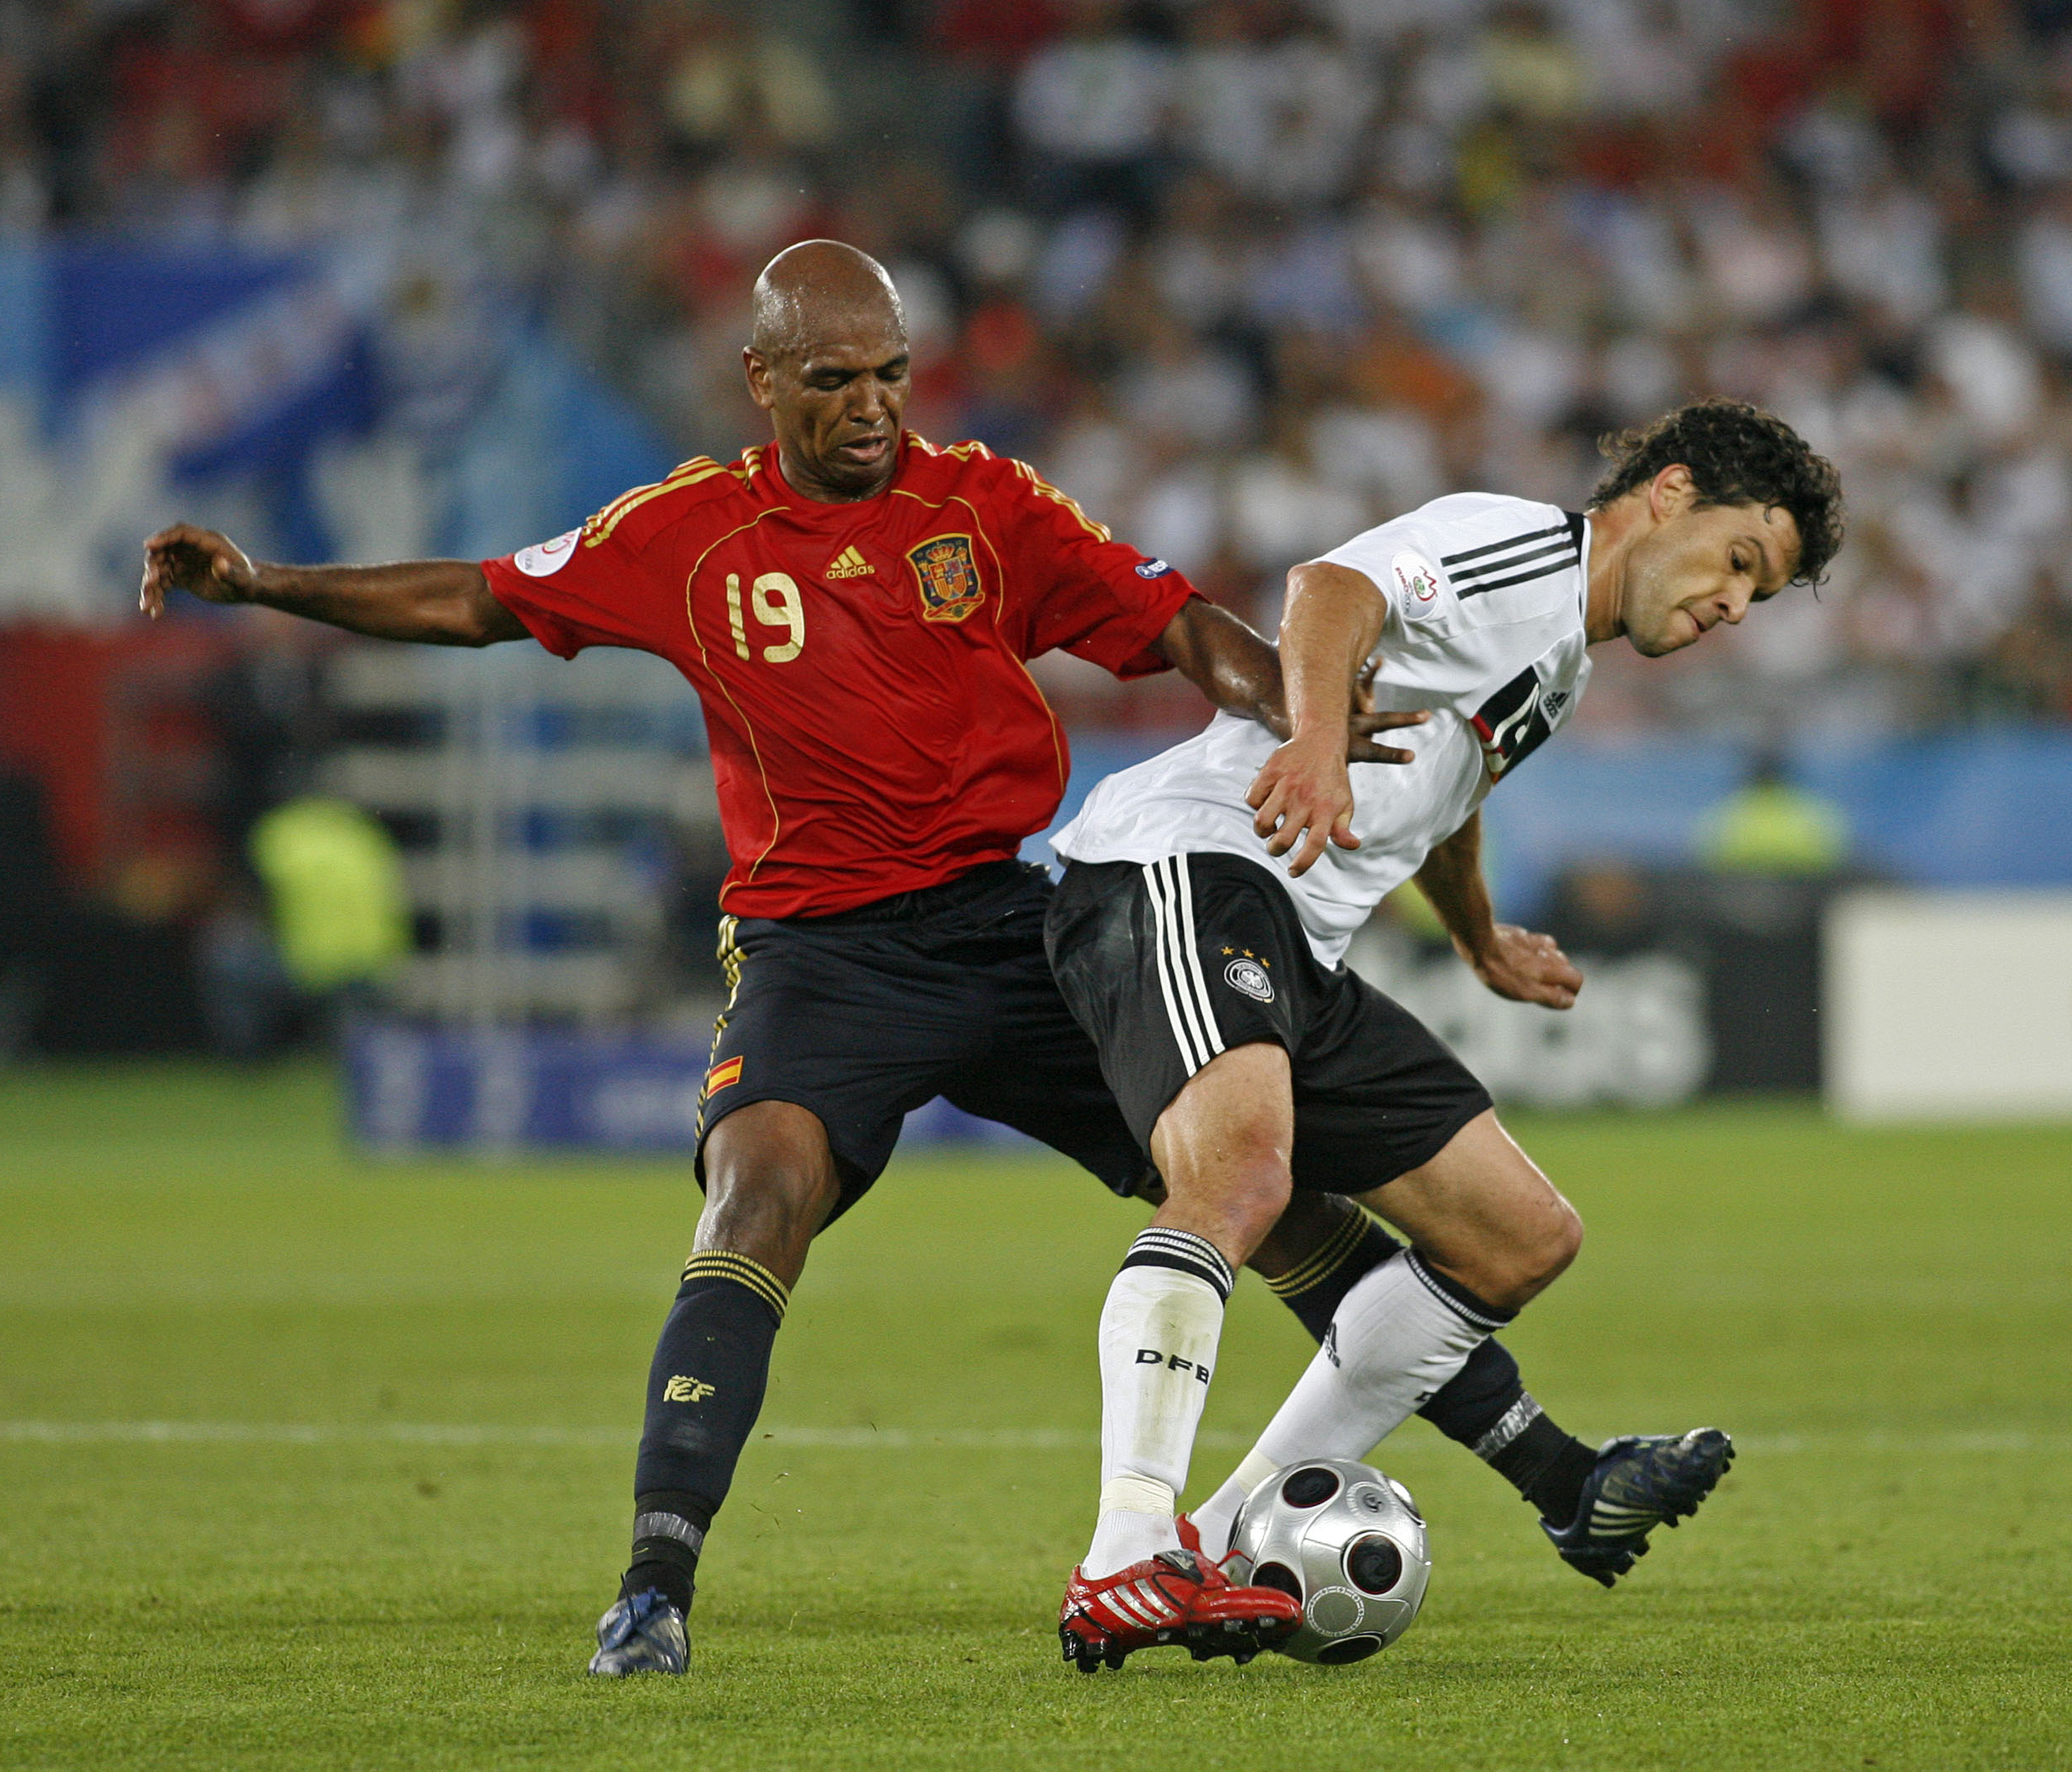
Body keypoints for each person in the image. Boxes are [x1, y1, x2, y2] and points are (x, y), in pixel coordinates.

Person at [140, 239, 1439, 1677]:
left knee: (1262, 1183)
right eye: (833, 380)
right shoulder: (682, 536)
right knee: (753, 1199)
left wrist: (1300, 710)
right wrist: (261, 583)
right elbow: (477, 602)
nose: (873, 406)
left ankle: (1557, 1468)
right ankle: (653, 1586)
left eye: (891, 373)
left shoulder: (986, 503)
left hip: (1015, 923)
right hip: (820, 950)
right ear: (760, 381)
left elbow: (1182, 623)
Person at [1045, 399, 1844, 1668]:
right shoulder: (1521, 545)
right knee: (1241, 1179)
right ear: (1670, 493)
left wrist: (1475, 934)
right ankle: (1127, 1548)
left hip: (1300, 934)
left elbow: (1446, 790)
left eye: (1760, 594)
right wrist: (1311, 739)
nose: (1734, 607)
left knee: (1520, 1237)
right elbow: (1329, 591)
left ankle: (1214, 1534)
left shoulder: (1564, 659)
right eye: (1740, 560)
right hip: (1190, 866)